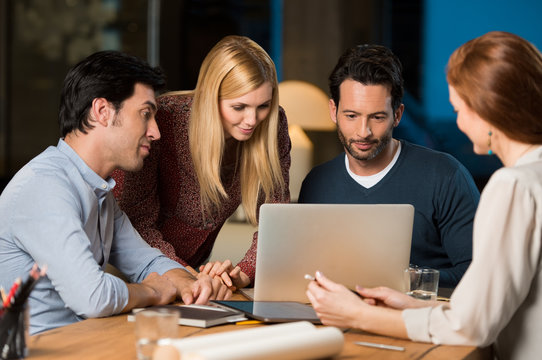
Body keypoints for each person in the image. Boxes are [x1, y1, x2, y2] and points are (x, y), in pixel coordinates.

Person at [306, 31, 542, 359]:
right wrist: (412, 302)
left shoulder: (512, 184)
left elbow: (472, 324)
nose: (458, 122)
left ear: (487, 109)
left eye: (459, 108)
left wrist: (359, 315)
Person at [0, 51, 230, 335]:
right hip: (43, 350)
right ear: (102, 112)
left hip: (86, 342)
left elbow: (146, 259)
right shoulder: (44, 186)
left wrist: (189, 283)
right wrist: (151, 292)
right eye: (145, 114)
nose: (155, 132)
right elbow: (93, 297)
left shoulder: (99, 191)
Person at [112, 35, 290, 290]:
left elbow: (277, 219)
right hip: (128, 272)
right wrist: (184, 276)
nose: (252, 119)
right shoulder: (162, 121)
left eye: (263, 105)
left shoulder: (273, 125)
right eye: (239, 107)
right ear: (210, 97)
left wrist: (239, 275)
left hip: (193, 278)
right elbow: (134, 221)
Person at [298, 44, 479, 288]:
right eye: (351, 116)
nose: (364, 132)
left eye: (377, 117)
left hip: (417, 320)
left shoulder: (445, 176)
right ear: (334, 110)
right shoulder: (316, 182)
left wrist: (403, 278)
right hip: (335, 317)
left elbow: (479, 273)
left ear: (398, 114)